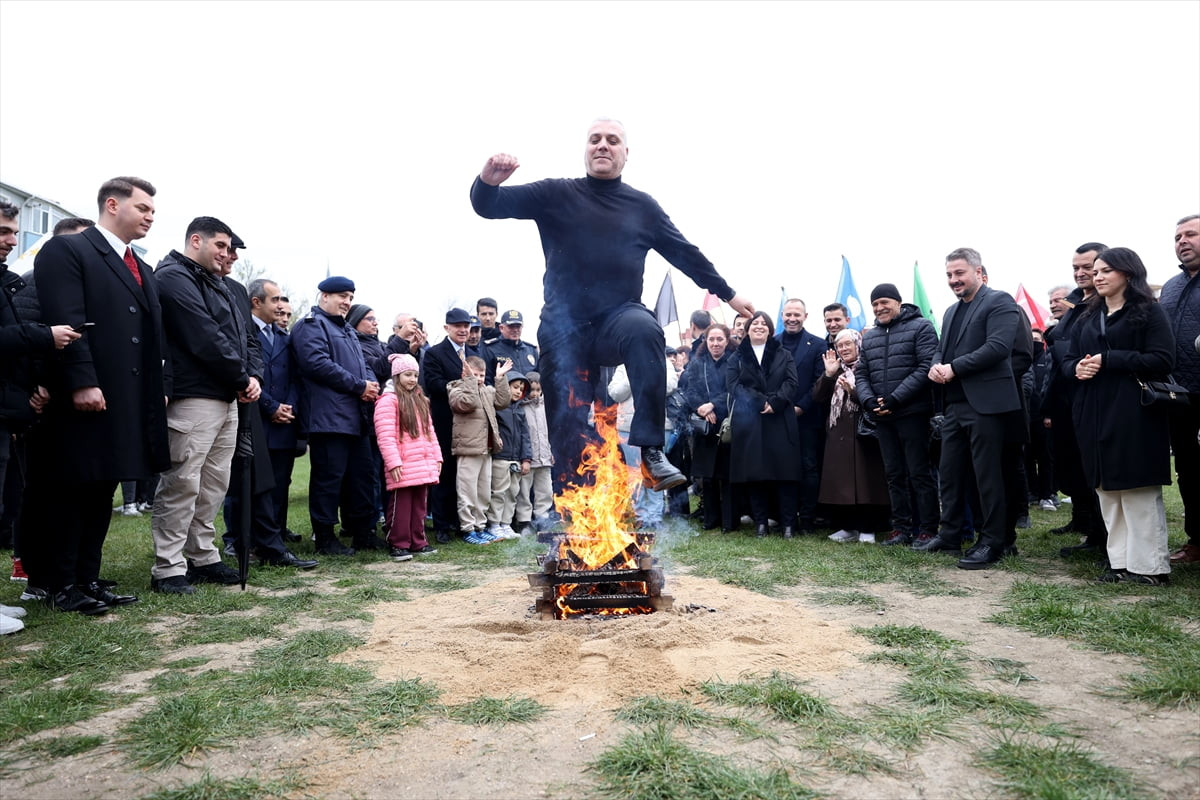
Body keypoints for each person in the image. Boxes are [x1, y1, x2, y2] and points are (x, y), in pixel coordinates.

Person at [470, 118, 754, 493]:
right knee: (567, 423)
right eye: (595, 139)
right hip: (563, 327)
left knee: (646, 329)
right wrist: (488, 181)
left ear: (625, 153)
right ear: (586, 149)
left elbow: (686, 253)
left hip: (617, 319)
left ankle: (651, 452)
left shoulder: (642, 207)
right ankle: (572, 503)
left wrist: (728, 294)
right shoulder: (557, 194)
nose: (603, 145)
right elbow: (489, 206)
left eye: (612, 140)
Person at [30, 177, 168, 614]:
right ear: (113, 204)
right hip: (86, 395)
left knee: (102, 489)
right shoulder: (69, 250)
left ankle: (87, 577)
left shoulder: (139, 265)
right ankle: (57, 582)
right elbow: (67, 320)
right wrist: (82, 380)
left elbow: (151, 339)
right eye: (143, 207)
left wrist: (158, 390)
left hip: (125, 399)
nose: (150, 216)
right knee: (72, 490)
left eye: (152, 210)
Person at [151, 217, 262, 594]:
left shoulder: (221, 285)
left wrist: (253, 376)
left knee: (214, 483)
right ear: (195, 240)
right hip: (192, 396)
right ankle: (168, 567)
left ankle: (202, 556)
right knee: (182, 481)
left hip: (227, 395)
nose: (227, 254)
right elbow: (203, 336)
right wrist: (241, 378)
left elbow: (247, 338)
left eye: (229, 248)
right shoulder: (172, 277)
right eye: (220, 246)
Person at [1065, 247, 1175, 585]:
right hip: (1093, 409)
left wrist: (1110, 360)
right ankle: (1121, 563)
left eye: (1105, 270)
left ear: (1127, 273)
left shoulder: (1148, 312)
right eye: (1095, 271)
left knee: (1137, 489)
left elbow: (1162, 359)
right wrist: (1077, 368)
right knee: (1107, 490)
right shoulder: (1086, 315)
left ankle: (1151, 568)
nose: (1097, 276)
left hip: (1134, 410)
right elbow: (1068, 358)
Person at [923, 248, 1022, 569]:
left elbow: (998, 348)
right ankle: (950, 534)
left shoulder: (1000, 301)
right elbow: (942, 350)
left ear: (979, 273)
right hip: (954, 406)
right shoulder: (951, 311)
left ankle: (993, 540)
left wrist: (953, 368)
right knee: (950, 475)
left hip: (988, 405)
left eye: (959, 273)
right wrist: (936, 365)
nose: (953, 280)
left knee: (987, 476)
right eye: (949, 275)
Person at [291, 275, 383, 555]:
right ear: (324, 296)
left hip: (355, 418)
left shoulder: (348, 330)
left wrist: (370, 383)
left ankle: (362, 532)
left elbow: (363, 365)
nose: (346, 302)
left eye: (350, 297)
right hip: (328, 418)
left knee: (362, 478)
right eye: (342, 296)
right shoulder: (310, 326)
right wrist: (359, 386)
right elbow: (316, 364)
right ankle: (325, 536)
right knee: (328, 480)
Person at [856, 283, 939, 546]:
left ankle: (927, 528)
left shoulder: (921, 327)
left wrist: (896, 398)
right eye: (875, 304)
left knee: (919, 473)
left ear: (898, 303)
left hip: (912, 413)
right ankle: (900, 528)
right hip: (882, 416)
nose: (880, 308)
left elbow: (927, 365)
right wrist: (869, 400)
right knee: (893, 474)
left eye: (884, 302)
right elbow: (862, 373)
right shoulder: (869, 336)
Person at [1044, 243, 1109, 555]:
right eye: (1077, 268)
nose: (1082, 273)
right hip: (1063, 397)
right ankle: (1082, 520)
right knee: (1072, 465)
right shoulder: (1073, 304)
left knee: (1094, 468)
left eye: (1089, 267)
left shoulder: (1106, 304)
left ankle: (1101, 534)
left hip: (1092, 397)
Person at [727, 312, 801, 537]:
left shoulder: (783, 353)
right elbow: (734, 386)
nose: (759, 326)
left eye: (764, 323)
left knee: (785, 473)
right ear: (747, 329)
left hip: (780, 419)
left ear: (770, 329)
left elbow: (791, 382)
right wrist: (760, 402)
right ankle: (761, 523)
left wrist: (775, 402)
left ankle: (788, 524)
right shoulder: (736, 357)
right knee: (755, 474)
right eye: (755, 323)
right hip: (751, 421)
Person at [814, 329, 890, 542]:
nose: (844, 349)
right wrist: (828, 375)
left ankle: (868, 529)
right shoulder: (837, 370)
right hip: (838, 434)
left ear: (859, 344)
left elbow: (872, 400)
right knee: (841, 483)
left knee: (867, 483)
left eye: (848, 344)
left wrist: (853, 391)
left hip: (863, 434)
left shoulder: (869, 367)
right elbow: (818, 397)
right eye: (840, 346)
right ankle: (847, 527)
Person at [1159, 215, 1200, 565]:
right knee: (1187, 466)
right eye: (1177, 236)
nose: (1182, 241)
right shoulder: (1171, 286)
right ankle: (1196, 541)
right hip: (1179, 392)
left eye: (1191, 234)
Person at [374, 353, 441, 561]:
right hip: (402, 464)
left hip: (422, 462)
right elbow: (385, 435)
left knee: (419, 505)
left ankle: (418, 541)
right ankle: (399, 543)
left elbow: (430, 432)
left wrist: (437, 457)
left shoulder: (420, 400)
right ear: (396, 376)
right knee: (401, 506)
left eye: (415, 375)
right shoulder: (388, 401)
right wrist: (393, 461)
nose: (412, 379)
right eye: (407, 375)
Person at [422, 308, 477, 543]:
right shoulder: (434, 353)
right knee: (444, 475)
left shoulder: (475, 353)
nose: (463, 330)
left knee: (465, 475)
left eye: (466, 325)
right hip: (445, 422)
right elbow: (433, 384)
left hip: (471, 425)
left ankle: (461, 521)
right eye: (457, 326)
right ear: (447, 328)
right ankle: (442, 525)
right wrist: (462, 387)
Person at [449, 355, 512, 544]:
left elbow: (503, 402)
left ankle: (480, 526)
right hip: (468, 450)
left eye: (482, 375)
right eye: (474, 374)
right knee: (467, 491)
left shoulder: (487, 391)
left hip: (486, 449)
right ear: (465, 373)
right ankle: (468, 529)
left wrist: (500, 379)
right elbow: (466, 403)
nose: (478, 378)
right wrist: (468, 380)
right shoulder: (456, 388)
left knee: (483, 492)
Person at [776, 298, 826, 533]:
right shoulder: (772, 344)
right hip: (777, 418)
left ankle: (807, 519)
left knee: (809, 469)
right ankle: (785, 519)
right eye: (788, 314)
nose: (792, 319)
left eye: (797, 314)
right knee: (782, 469)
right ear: (782, 316)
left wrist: (801, 407)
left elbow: (819, 380)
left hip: (807, 418)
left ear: (805, 316)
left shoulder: (817, 344)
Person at [683, 323, 735, 532]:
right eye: (711, 339)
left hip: (727, 425)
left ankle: (729, 521)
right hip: (705, 425)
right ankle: (710, 518)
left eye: (719, 339)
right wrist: (701, 408)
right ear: (706, 341)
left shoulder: (734, 361)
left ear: (726, 340)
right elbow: (689, 390)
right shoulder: (698, 363)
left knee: (727, 476)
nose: (715, 343)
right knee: (708, 476)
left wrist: (713, 404)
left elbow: (733, 389)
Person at [487, 370, 532, 540]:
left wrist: (526, 459)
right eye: (514, 387)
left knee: (512, 493)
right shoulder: (498, 408)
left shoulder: (520, 410)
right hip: (500, 458)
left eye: (521, 388)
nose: (518, 391)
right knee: (498, 492)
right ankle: (494, 524)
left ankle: (506, 524)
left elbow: (525, 436)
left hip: (516, 460)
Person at [515, 371, 555, 533]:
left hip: (544, 456)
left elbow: (547, 432)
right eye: (532, 390)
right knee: (524, 491)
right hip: (528, 458)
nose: (535, 394)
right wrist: (524, 456)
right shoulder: (521, 407)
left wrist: (550, 451)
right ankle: (524, 520)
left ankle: (542, 517)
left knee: (545, 490)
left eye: (538, 390)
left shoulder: (546, 407)